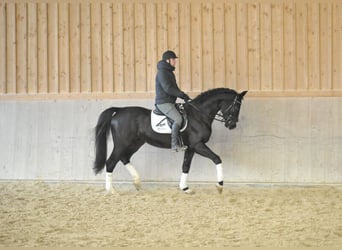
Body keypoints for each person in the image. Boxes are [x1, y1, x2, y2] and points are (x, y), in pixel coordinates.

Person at [155, 50, 191, 152]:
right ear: (168, 60)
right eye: (173, 59)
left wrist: (184, 96)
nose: (175, 61)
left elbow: (174, 88)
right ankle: (174, 145)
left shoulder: (168, 72)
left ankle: (181, 142)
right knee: (178, 119)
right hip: (163, 102)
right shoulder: (162, 72)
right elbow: (168, 88)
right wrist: (182, 95)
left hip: (170, 101)